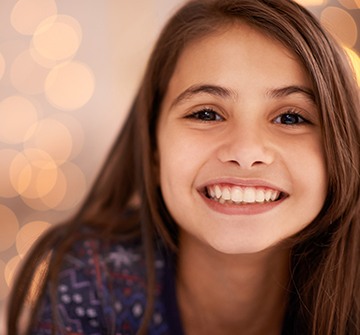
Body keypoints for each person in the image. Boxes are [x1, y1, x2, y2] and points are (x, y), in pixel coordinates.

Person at [6, 0, 360, 334]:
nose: (246, 151)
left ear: (339, 150)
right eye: (206, 113)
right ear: (154, 145)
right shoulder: (92, 279)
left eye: (290, 117)